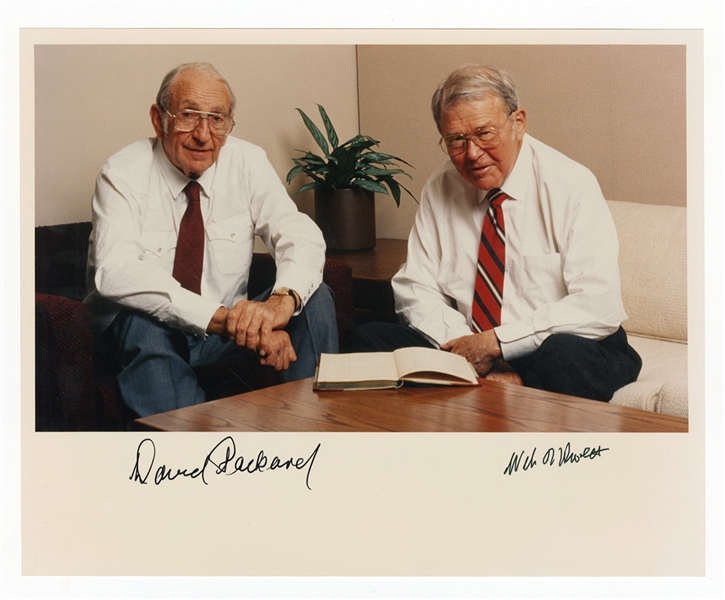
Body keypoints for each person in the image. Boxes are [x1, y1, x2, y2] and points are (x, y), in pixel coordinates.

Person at [347, 65, 641, 402]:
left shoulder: (571, 184)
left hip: (559, 343)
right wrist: (467, 349)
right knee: (367, 340)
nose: (472, 154)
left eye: (484, 133)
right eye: (456, 140)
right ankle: (485, 395)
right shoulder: (441, 186)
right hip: (467, 341)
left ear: (518, 123)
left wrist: (498, 343)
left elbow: (598, 305)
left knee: (560, 357)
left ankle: (502, 402)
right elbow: (415, 286)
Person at [84, 62, 338, 417]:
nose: (204, 135)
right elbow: (117, 272)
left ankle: (309, 434)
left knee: (314, 297)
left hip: (221, 339)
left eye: (217, 119)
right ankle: (189, 458)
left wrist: (278, 307)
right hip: (149, 333)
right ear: (160, 120)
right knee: (141, 319)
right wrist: (227, 320)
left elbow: (297, 231)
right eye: (188, 115)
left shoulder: (247, 160)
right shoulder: (122, 173)